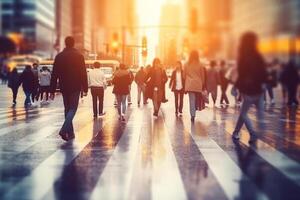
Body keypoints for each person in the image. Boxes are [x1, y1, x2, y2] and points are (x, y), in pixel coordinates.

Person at [50, 36, 88, 141]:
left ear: (65, 43)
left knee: (67, 109)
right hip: (75, 86)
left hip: (64, 86)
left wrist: (52, 90)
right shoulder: (79, 56)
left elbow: (54, 74)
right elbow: (83, 73)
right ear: (73, 43)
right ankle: (64, 130)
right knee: (73, 109)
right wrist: (85, 87)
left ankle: (70, 133)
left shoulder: (59, 56)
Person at [232, 32, 267, 144]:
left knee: (243, 114)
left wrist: (235, 87)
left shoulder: (243, 57)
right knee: (258, 114)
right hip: (259, 91)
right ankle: (239, 132)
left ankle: (252, 133)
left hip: (248, 92)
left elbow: (241, 75)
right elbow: (263, 73)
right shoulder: (258, 56)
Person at [184, 51, 206, 122]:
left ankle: (192, 115)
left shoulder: (186, 64)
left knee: (191, 100)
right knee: (197, 99)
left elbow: (184, 76)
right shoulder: (200, 64)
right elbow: (203, 75)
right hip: (198, 84)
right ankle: (196, 107)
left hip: (190, 84)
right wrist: (203, 84)